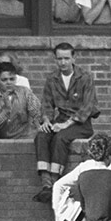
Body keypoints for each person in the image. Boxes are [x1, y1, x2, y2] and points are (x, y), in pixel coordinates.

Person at [33, 42, 99, 203]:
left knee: (60, 138)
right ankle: (46, 183)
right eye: (59, 59)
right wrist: (47, 121)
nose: (63, 62)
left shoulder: (85, 77)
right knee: (41, 136)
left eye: (66, 58)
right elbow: (47, 104)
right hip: (60, 120)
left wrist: (67, 123)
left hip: (81, 124)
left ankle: (56, 182)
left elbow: (88, 106)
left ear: (73, 58)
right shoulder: (52, 79)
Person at [0, 62, 41, 139]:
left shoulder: (25, 92)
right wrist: (5, 112)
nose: (8, 82)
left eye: (12, 79)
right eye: (4, 80)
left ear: (16, 79)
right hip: (1, 141)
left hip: (25, 138)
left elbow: (36, 112)